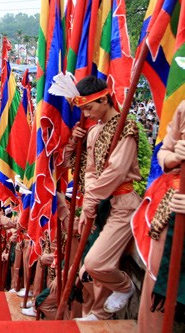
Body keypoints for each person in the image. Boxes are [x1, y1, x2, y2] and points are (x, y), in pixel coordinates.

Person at [72, 76, 141, 321]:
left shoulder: (126, 128)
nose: (87, 114)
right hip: (100, 204)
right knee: (91, 263)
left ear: (104, 98)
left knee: (96, 263)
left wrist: (90, 201)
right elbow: (90, 171)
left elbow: (116, 172)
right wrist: (89, 203)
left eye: (89, 108)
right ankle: (99, 313)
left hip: (123, 205)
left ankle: (124, 286)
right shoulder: (93, 133)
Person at [135, 100, 185, 333]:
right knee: (156, 281)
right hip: (172, 209)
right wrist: (174, 158)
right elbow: (164, 151)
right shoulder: (184, 108)